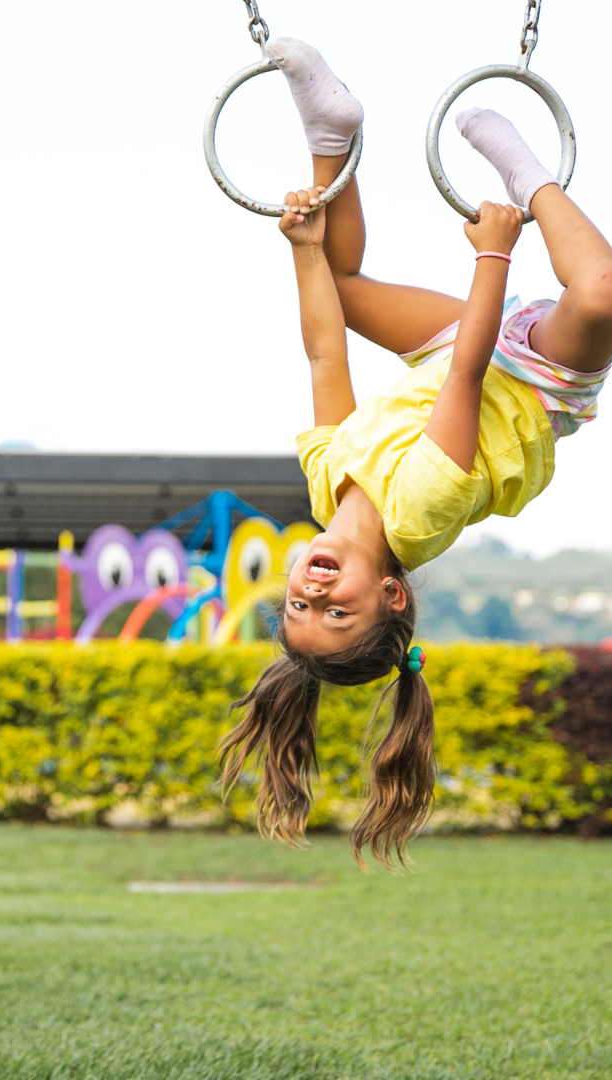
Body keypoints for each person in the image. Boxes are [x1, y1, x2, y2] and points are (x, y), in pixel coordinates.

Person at [219, 39, 612, 869]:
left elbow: (326, 357)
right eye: (339, 611)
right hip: (532, 382)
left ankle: (331, 130)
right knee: (603, 296)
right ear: (393, 593)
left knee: (338, 272)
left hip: (454, 353)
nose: (314, 592)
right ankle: (530, 173)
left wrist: (301, 249)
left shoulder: (329, 489)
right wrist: (496, 250)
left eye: (299, 609)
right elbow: (471, 377)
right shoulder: (418, 516)